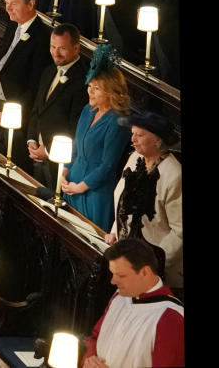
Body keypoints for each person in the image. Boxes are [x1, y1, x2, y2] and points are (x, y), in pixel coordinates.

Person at [105, 110, 182, 289]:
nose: (132, 139)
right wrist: (115, 231)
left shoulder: (174, 175)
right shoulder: (135, 158)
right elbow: (122, 200)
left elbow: (180, 232)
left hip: (154, 272)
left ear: (158, 139)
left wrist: (150, 263)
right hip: (125, 256)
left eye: (139, 135)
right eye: (132, 133)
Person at [83, 238, 183, 368]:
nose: (113, 281)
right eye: (112, 274)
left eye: (121, 275)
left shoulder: (171, 318)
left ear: (144, 272)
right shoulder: (119, 296)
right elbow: (95, 338)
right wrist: (90, 358)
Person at [62, 48, 132, 229]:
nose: (90, 92)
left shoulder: (118, 121)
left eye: (96, 88)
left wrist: (81, 187)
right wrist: (64, 171)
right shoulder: (88, 110)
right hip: (71, 185)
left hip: (94, 194)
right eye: (89, 86)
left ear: (111, 92)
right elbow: (76, 148)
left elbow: (108, 166)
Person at [0, 0, 51, 163]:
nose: (8, 8)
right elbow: (1, 65)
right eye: (6, 3)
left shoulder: (41, 38)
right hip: (0, 103)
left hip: (18, 112)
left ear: (30, 4)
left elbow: (35, 87)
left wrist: (8, 114)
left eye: (13, 4)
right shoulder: (13, 25)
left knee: (13, 159)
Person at [25, 24, 90, 186]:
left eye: (62, 48)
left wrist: (48, 151)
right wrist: (31, 139)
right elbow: (37, 109)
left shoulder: (83, 81)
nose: (56, 53)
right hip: (36, 153)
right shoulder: (48, 71)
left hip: (60, 161)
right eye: (52, 47)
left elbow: (75, 126)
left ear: (76, 48)